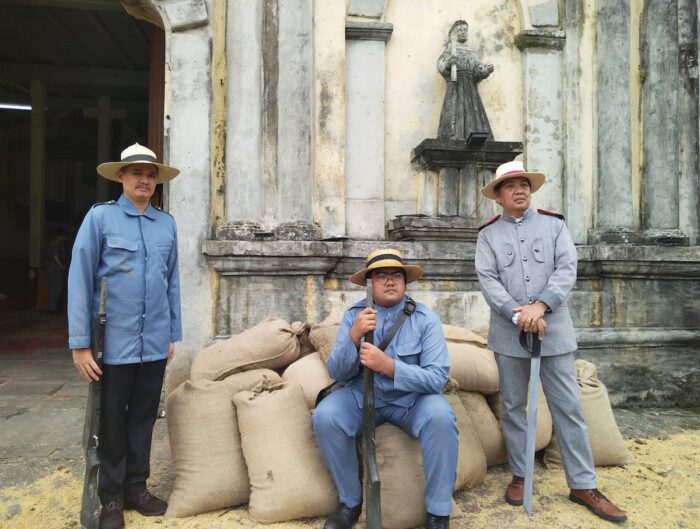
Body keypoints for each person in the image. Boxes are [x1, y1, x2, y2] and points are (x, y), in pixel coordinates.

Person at [474, 160, 627, 523]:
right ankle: (520, 474)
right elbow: (488, 279)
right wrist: (518, 313)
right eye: (510, 186)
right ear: (498, 196)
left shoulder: (554, 225)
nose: (519, 189)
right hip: (509, 335)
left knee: (569, 408)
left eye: (524, 183)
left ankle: (582, 484)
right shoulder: (487, 235)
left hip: (554, 333)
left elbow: (565, 269)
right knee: (513, 407)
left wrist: (540, 307)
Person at [68, 143, 182, 529]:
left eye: (151, 175)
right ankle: (112, 497)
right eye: (137, 174)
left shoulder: (166, 225)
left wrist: (172, 334)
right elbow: (80, 279)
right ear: (121, 177)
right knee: (112, 419)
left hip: (153, 342)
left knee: (144, 417)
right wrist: (80, 344)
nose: (145, 181)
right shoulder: (100, 219)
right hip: (112, 344)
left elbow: (172, 284)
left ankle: (137, 487)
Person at [312, 249, 458, 529]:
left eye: (396, 275)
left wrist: (390, 366)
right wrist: (353, 337)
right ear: (369, 283)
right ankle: (350, 503)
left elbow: (437, 378)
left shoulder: (425, 319)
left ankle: (439, 512)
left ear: (405, 282)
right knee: (325, 415)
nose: (390, 281)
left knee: (442, 415)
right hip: (361, 395)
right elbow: (338, 372)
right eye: (381, 276)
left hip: (410, 401)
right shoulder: (355, 315)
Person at [436, 20, 494, 141]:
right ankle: (455, 134)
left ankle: (472, 134)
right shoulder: (451, 49)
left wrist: (486, 70)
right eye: (460, 30)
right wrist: (448, 64)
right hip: (455, 84)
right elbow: (441, 65)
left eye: (465, 30)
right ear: (455, 33)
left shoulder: (472, 51)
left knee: (473, 111)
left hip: (470, 87)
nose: (463, 32)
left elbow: (478, 70)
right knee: (455, 111)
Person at [47, 228, 67, 314]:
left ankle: (55, 307)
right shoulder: (56, 244)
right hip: (55, 270)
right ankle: (53, 309)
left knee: (58, 289)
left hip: (58, 270)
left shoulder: (61, 245)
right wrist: (61, 266)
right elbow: (56, 256)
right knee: (55, 289)